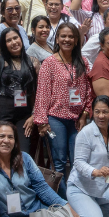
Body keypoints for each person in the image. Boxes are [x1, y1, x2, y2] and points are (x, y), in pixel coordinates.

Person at [0, 121, 78, 217]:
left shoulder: (25, 158)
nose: (6, 140)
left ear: (15, 141)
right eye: (1, 136)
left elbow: (43, 188)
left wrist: (66, 207)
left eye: (10, 137)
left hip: (39, 210)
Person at [32, 24, 93, 184]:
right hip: (56, 119)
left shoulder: (83, 62)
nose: (67, 39)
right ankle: (61, 201)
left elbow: (88, 90)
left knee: (77, 160)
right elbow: (42, 93)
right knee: (58, 161)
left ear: (76, 40)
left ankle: (75, 196)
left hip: (77, 120)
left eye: (71, 36)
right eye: (63, 36)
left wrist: (85, 114)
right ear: (57, 39)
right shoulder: (49, 63)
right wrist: (42, 121)